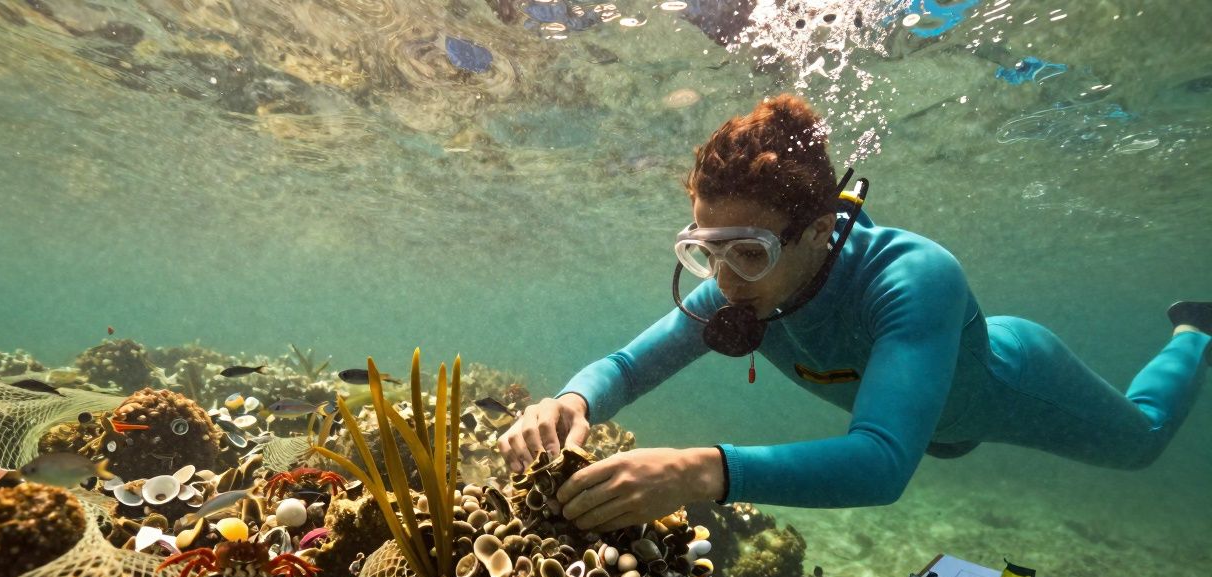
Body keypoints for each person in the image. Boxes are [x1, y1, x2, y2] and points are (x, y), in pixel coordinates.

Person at [498, 94, 1210, 532]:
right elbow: (626, 367)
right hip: (925, 420)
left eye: (747, 252)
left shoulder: (914, 278)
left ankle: (1193, 330)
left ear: (817, 231)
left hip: (1009, 389)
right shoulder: (742, 286)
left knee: (1141, 442)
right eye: (704, 253)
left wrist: (699, 471)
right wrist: (570, 401)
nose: (724, 280)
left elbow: (882, 464)